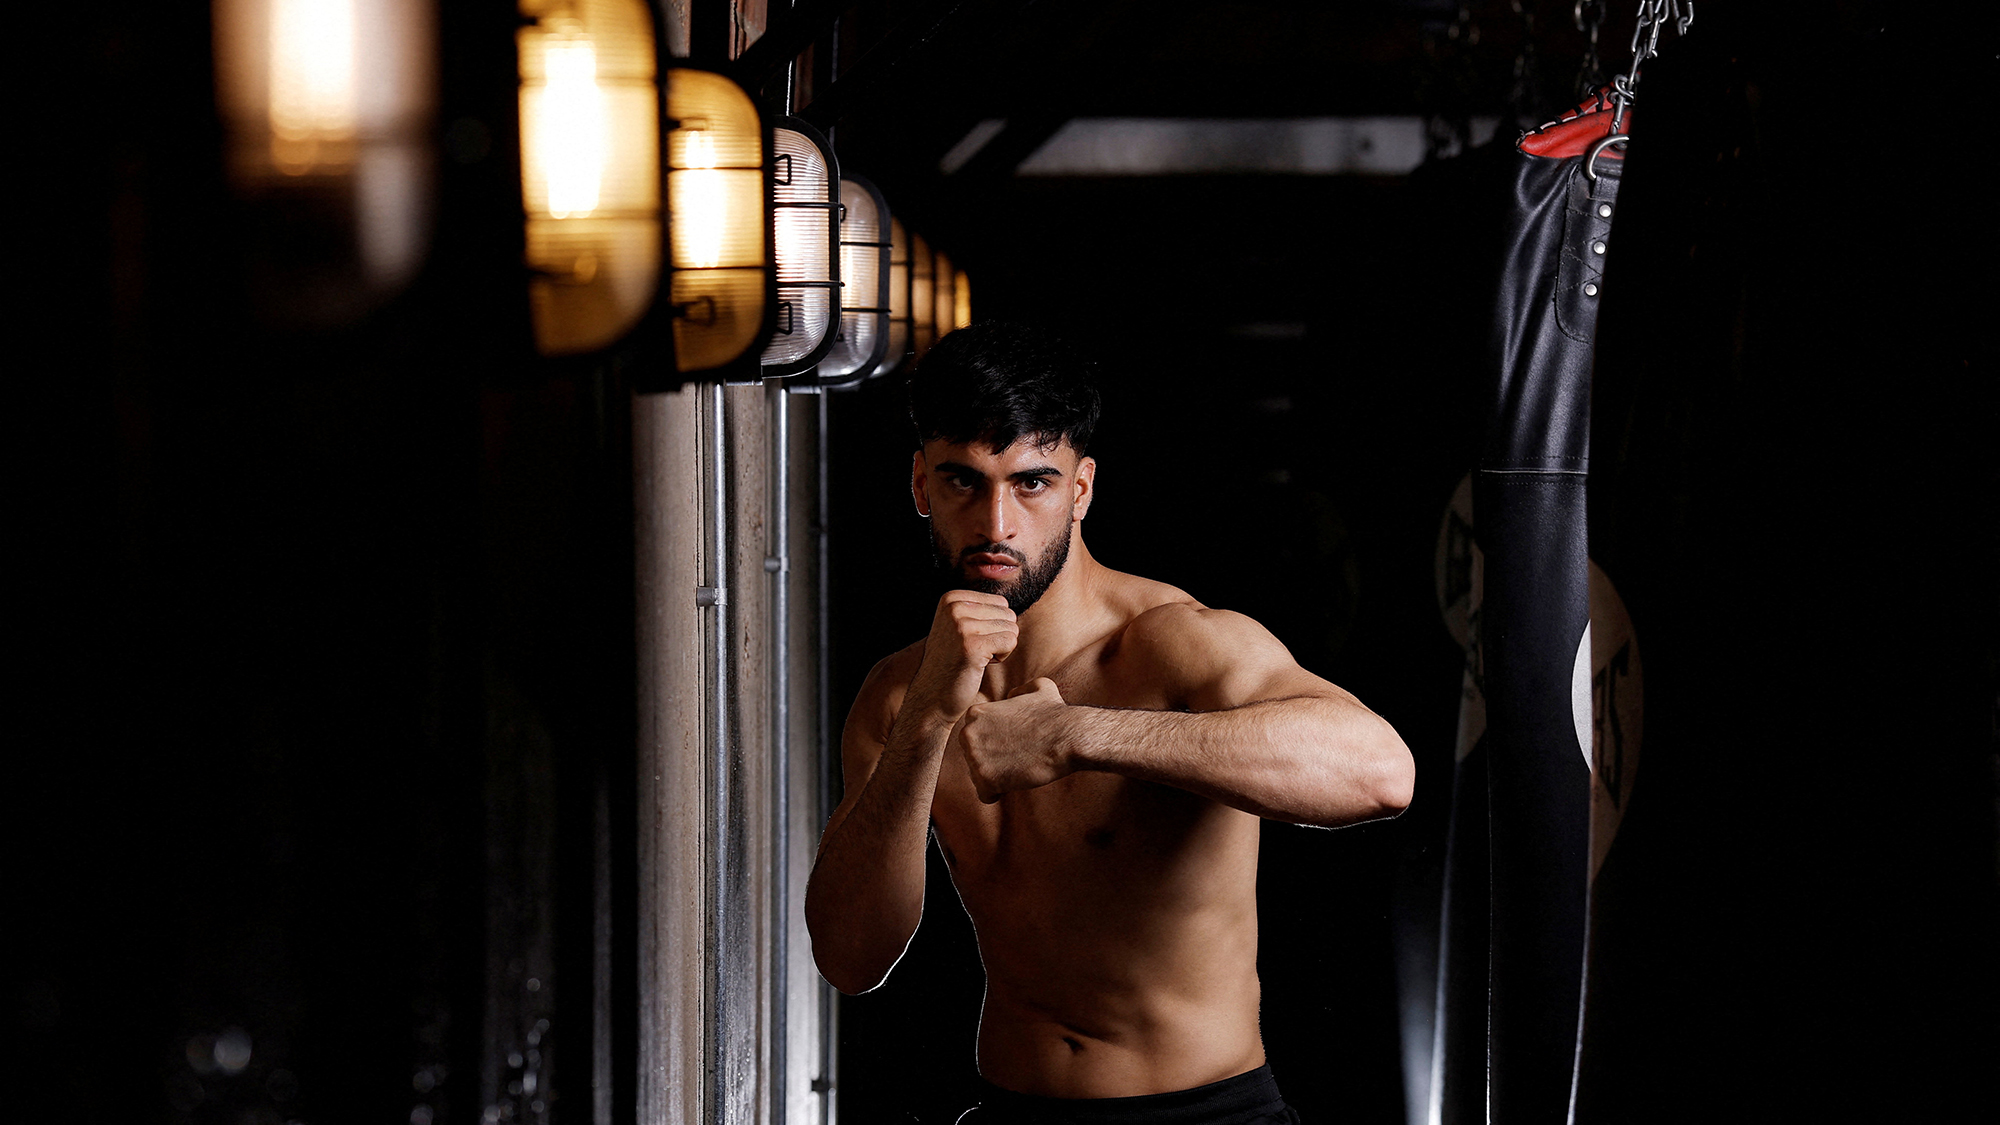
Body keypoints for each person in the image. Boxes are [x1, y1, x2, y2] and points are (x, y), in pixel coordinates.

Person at [805, 322, 1414, 1124]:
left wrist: (1077, 735)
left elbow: (1380, 772)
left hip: (1204, 1114)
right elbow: (851, 957)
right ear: (921, 485)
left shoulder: (1171, 644)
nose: (997, 524)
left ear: (1081, 489)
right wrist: (926, 720)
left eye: (1032, 483)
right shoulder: (899, 694)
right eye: (963, 482)